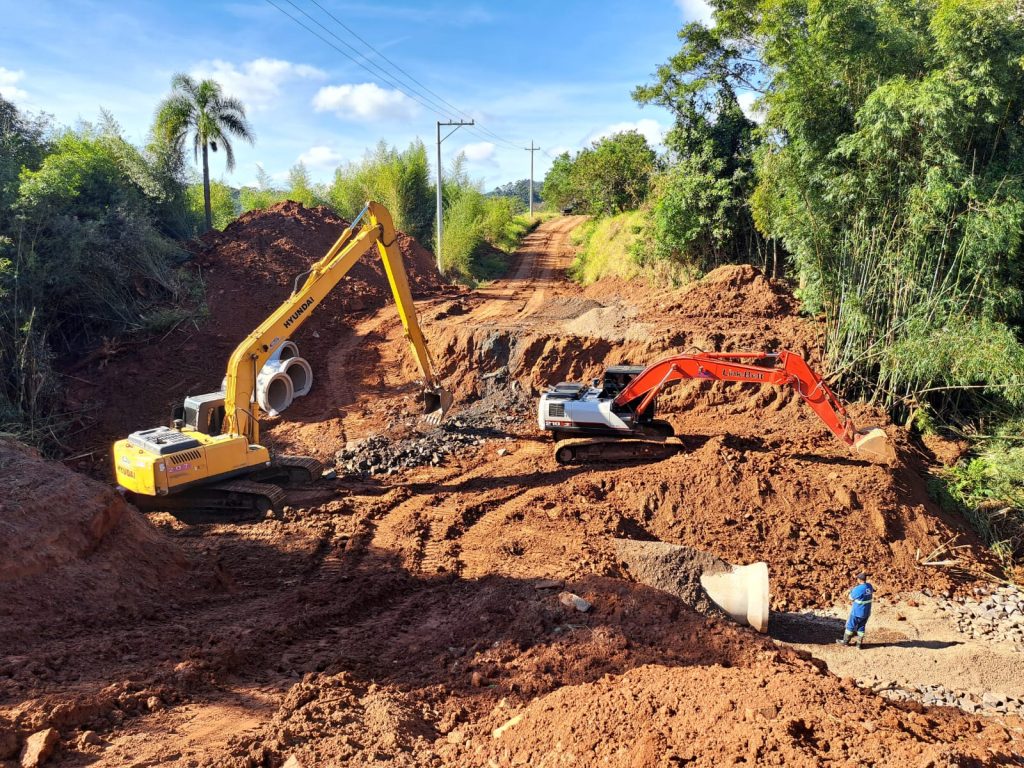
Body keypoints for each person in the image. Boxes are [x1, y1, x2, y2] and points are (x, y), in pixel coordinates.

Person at [836, 572, 874, 648]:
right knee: (861, 626)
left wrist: (851, 591)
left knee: (850, 626)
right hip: (866, 612)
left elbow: (851, 597)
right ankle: (859, 644)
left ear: (859, 579)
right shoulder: (869, 586)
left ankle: (845, 642)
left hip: (857, 612)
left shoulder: (859, 589)